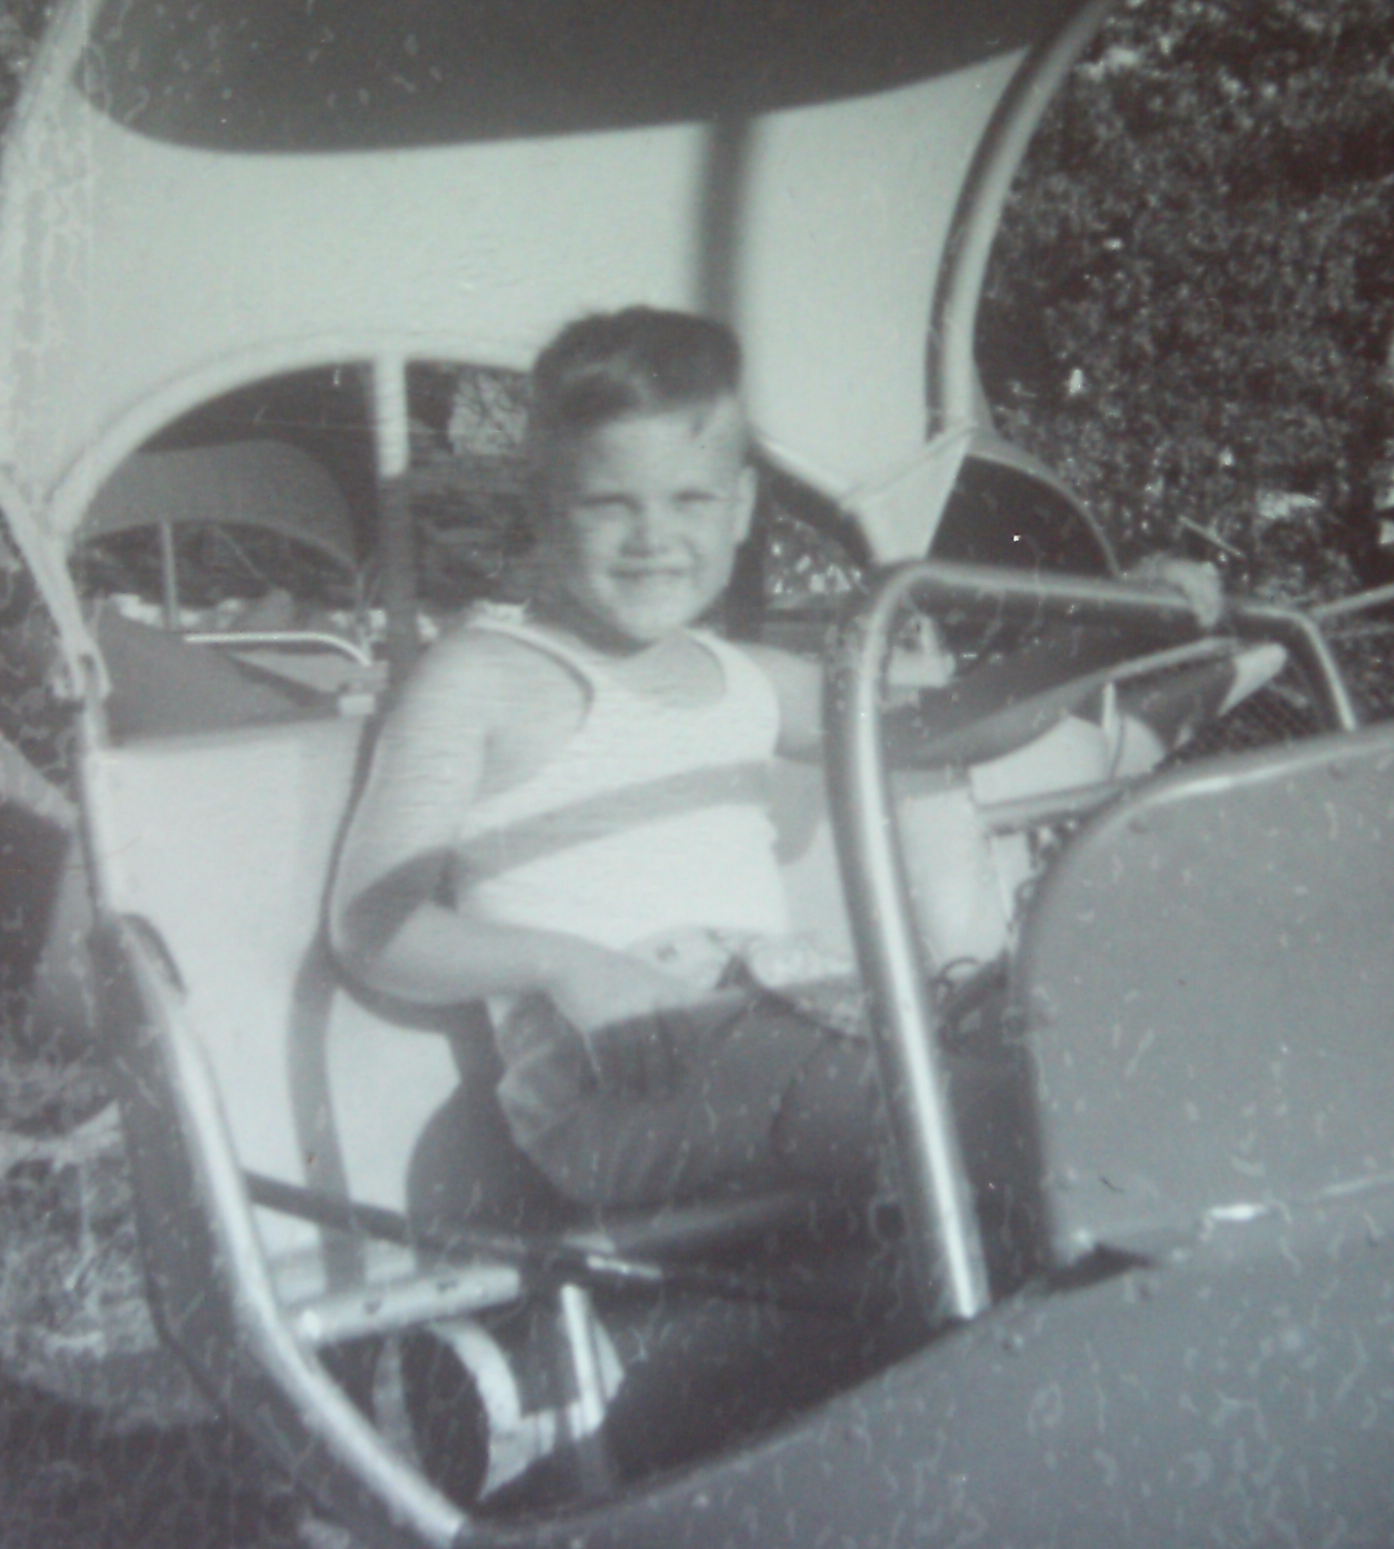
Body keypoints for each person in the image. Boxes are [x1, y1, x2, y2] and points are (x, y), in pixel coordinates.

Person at [329, 307, 1018, 1224]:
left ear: (740, 509)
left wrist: (1136, 622)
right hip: (619, 1065)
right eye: (609, 503)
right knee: (987, 1118)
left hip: (776, 1016)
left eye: (691, 500)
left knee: (1028, 1067)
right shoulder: (487, 676)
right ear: (543, 508)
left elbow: (949, 731)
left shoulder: (750, 680)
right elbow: (372, 925)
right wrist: (566, 968)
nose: (652, 537)